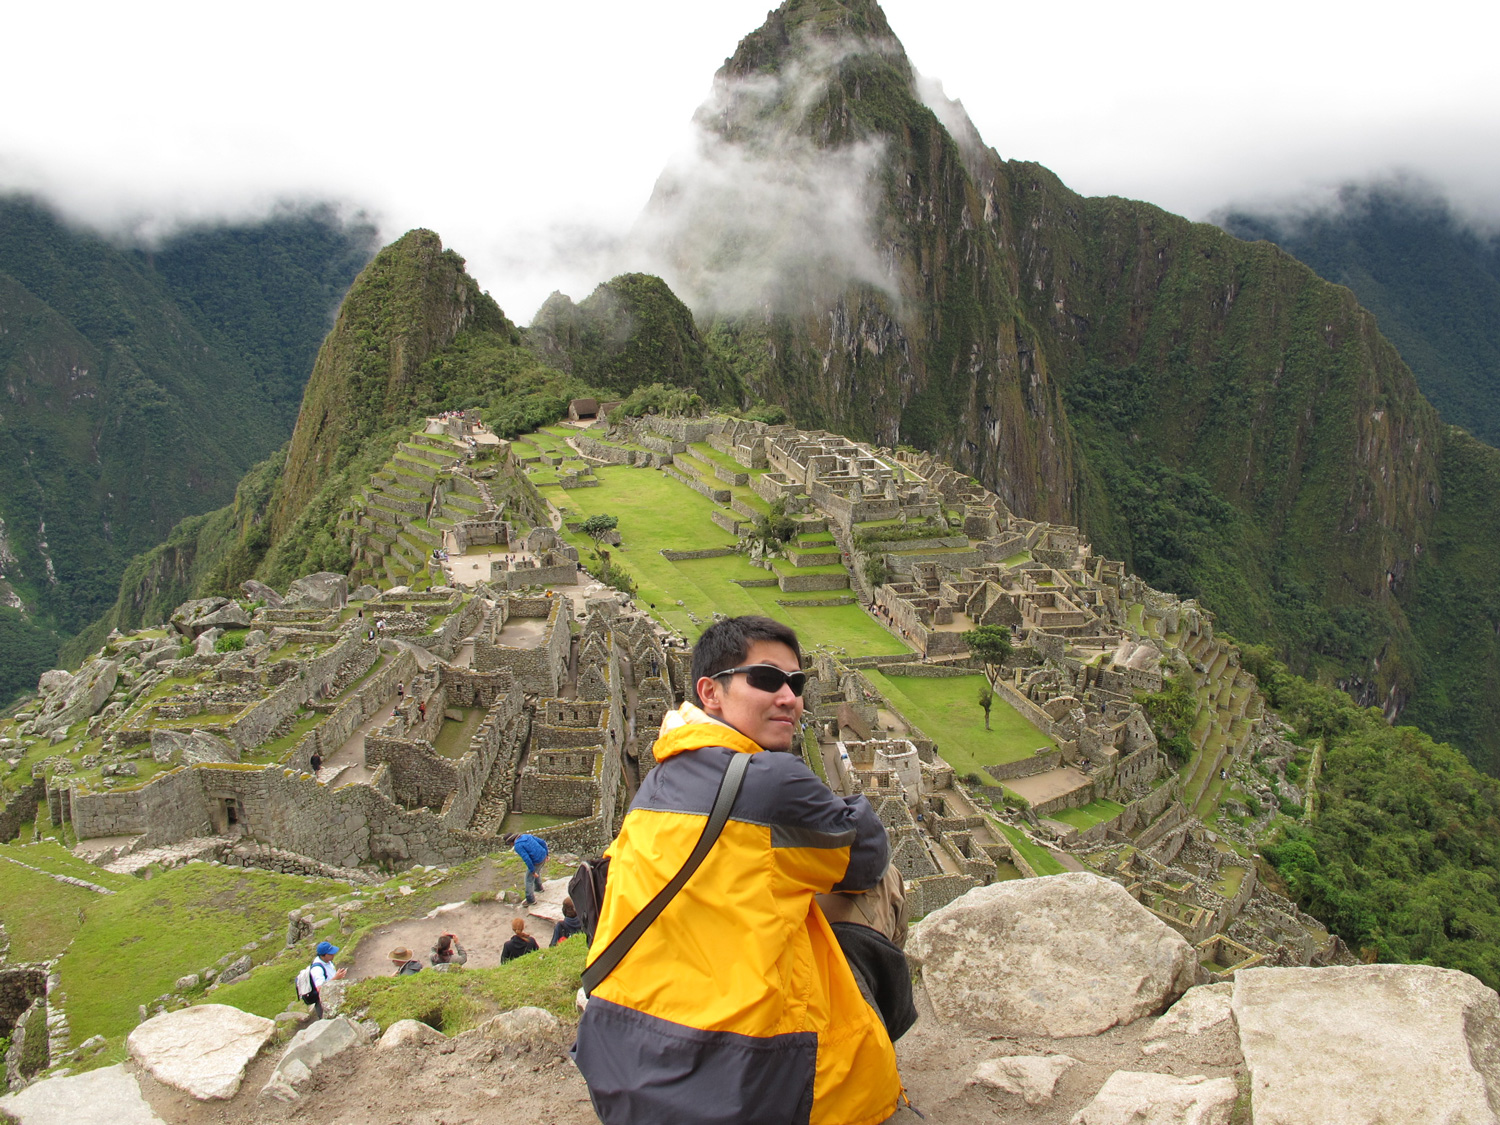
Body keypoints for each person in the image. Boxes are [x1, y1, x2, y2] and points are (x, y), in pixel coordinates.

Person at [574, 616, 900, 1125]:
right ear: (712, 692)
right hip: (753, 1096)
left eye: (797, 683)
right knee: (877, 884)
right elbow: (868, 853)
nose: (789, 697)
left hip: (625, 1078)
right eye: (767, 679)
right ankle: (873, 1029)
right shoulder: (773, 780)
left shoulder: (658, 780)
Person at [505, 832, 548, 906]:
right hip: (543, 856)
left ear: (511, 842)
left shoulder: (518, 845)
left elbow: (527, 859)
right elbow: (543, 842)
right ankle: (539, 888)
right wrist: (547, 854)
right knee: (537, 872)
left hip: (536, 861)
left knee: (528, 880)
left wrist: (532, 870)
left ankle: (530, 900)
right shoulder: (526, 836)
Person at [307, 940, 345, 1019]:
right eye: (330, 954)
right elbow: (320, 988)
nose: (333, 955)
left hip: (333, 994)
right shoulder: (317, 969)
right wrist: (336, 978)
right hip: (324, 1002)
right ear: (323, 955)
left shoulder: (328, 961)